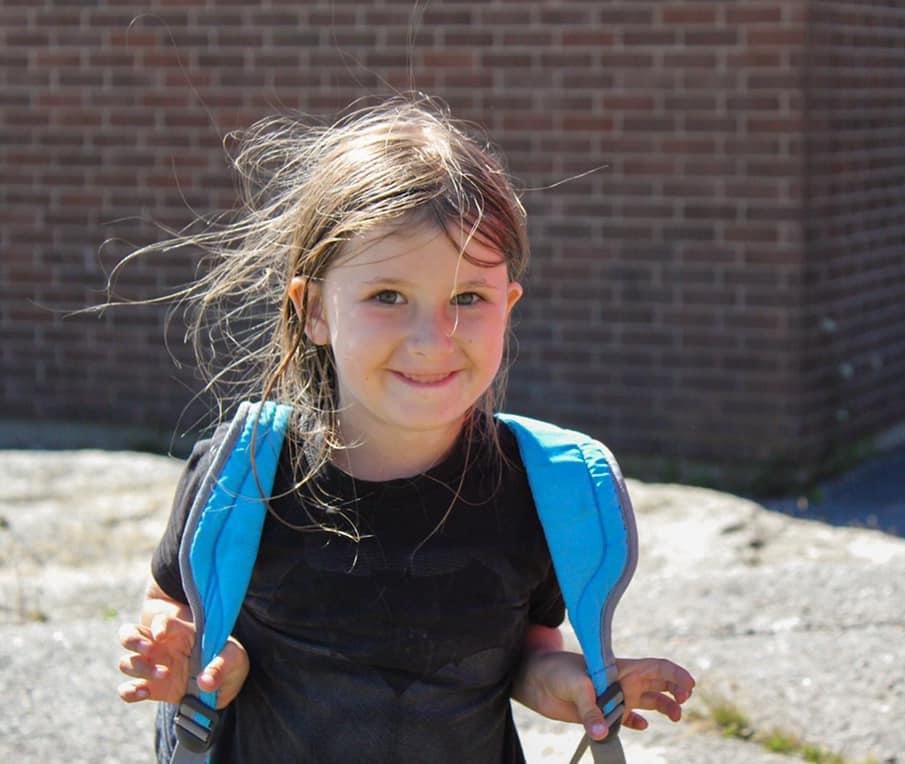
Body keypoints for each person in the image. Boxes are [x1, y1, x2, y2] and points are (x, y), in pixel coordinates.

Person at [115, 95, 695, 763]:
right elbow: (175, 602)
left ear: (507, 306)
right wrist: (199, 658)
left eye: (467, 298)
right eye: (388, 296)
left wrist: (579, 686)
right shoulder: (246, 470)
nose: (433, 338)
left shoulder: (536, 486)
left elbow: (524, 652)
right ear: (313, 311)